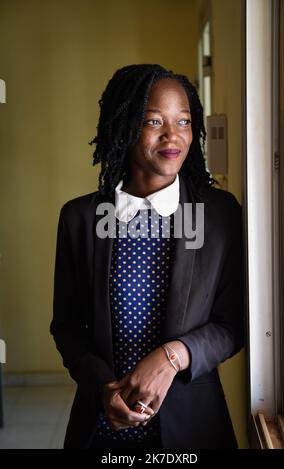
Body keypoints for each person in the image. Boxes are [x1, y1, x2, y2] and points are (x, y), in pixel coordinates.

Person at [50, 64, 244, 450]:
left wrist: (172, 357)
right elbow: (67, 327)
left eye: (184, 121)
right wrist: (104, 388)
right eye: (153, 121)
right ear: (124, 126)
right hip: (104, 423)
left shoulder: (219, 214)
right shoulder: (80, 218)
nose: (173, 135)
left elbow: (234, 322)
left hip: (194, 425)